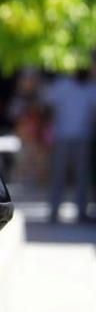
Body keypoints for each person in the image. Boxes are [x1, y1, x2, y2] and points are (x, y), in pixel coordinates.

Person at [42, 69, 96, 223]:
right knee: (58, 175)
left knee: (82, 177)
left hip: (84, 137)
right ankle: (54, 211)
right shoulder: (62, 85)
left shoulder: (92, 87)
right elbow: (48, 106)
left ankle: (82, 212)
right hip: (62, 137)